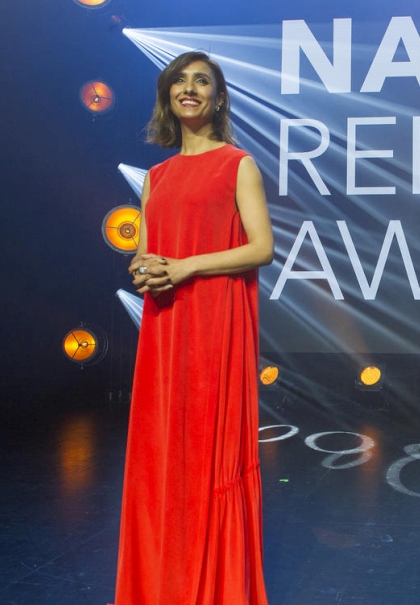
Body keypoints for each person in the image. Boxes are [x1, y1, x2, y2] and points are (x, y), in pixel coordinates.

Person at [112, 51, 273, 605]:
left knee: (208, 456)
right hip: (164, 329)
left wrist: (187, 267)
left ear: (218, 98)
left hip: (214, 328)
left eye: (202, 81)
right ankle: (165, 586)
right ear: (168, 98)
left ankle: (216, 589)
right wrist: (145, 270)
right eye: (179, 81)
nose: (190, 88)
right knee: (163, 460)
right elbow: (143, 254)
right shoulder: (155, 177)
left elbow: (262, 248)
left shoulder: (238, 164)